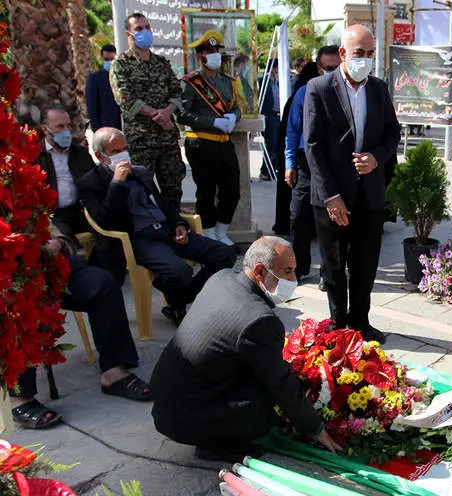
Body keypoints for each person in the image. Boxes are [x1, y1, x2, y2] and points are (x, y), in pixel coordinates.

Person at [150, 237, 342, 462]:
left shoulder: (221, 278)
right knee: (265, 401)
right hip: (185, 418)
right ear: (260, 271)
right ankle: (217, 445)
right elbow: (281, 383)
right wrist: (316, 427)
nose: (293, 279)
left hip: (167, 402)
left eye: (294, 271)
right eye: (287, 272)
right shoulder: (258, 320)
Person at [77, 127, 237, 326]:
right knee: (180, 271)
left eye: (125, 148)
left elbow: (161, 204)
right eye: (115, 152)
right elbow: (105, 221)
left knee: (225, 254)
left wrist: (178, 224)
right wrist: (117, 183)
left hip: (166, 230)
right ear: (101, 156)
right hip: (140, 239)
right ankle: (177, 299)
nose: (123, 155)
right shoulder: (91, 182)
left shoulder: (140, 172)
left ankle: (179, 297)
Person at [304, 24, 401, 344]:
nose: (366, 60)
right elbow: (313, 146)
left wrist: (377, 158)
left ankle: (361, 321)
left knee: (365, 262)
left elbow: (392, 134)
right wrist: (330, 195)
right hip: (332, 195)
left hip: (369, 194)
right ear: (343, 54)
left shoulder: (378, 89)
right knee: (333, 264)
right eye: (360, 53)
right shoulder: (318, 88)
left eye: (371, 54)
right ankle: (337, 323)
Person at [10, 225, 150, 430]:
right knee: (18, 306)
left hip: (46, 263)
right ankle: (20, 397)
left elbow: (47, 220)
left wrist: (58, 241)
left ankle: (114, 372)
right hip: (8, 276)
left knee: (102, 285)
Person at [110, 12, 186, 211]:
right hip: (141, 141)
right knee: (141, 192)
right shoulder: (121, 64)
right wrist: (156, 115)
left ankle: (176, 231)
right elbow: (125, 98)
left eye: (147, 27)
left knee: (173, 190)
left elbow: (177, 91)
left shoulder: (161, 63)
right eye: (139, 29)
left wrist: (167, 112)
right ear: (129, 34)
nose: (145, 32)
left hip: (167, 138)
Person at [179, 30, 242, 246]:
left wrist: (233, 117)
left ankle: (222, 231)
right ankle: (208, 232)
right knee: (206, 191)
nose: (213, 54)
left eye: (216, 50)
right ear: (200, 56)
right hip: (201, 142)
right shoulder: (191, 82)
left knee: (232, 190)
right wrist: (212, 122)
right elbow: (182, 114)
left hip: (224, 143)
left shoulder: (227, 81)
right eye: (208, 51)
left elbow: (236, 107)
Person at [286, 54, 341, 287]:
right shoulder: (304, 93)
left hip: (334, 164)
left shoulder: (347, 95)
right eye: (328, 67)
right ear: (319, 68)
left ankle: (328, 273)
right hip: (305, 162)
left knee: (331, 221)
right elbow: (293, 131)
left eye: (336, 67)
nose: (332, 71)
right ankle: (298, 268)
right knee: (298, 216)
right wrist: (290, 164)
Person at [36, 104, 95, 238]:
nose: (66, 131)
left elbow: (94, 181)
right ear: (45, 129)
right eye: (60, 127)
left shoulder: (80, 154)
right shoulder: (35, 156)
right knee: (63, 239)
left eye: (68, 126)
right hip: (53, 216)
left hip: (81, 211)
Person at [86, 45, 122, 131]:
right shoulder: (95, 78)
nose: (109, 62)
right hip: (105, 127)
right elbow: (91, 106)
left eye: (112, 59)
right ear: (102, 58)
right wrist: (97, 129)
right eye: (106, 59)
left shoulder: (121, 76)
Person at [259, 57, 280, 183]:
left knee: (277, 144)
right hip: (269, 115)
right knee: (270, 144)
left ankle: (273, 168)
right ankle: (265, 171)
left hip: (278, 115)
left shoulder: (277, 81)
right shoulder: (263, 81)